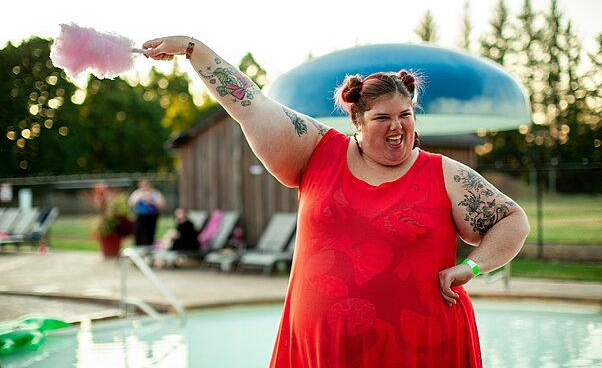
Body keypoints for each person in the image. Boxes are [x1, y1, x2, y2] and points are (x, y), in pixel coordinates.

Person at [141, 36, 530, 368]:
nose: (398, 126)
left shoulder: (444, 174)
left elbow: (512, 220)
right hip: (322, 350)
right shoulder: (316, 150)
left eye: (406, 115)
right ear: (357, 121)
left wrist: (472, 267)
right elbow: (250, 103)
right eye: (383, 118)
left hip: (422, 347)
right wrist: (193, 49)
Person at [127, 179, 165, 246]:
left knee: (150, 233)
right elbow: (131, 203)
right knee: (139, 233)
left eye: (146, 184)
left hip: (152, 217)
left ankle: (149, 246)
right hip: (140, 217)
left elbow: (161, 204)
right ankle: (139, 246)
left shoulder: (155, 193)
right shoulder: (137, 193)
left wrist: (151, 201)